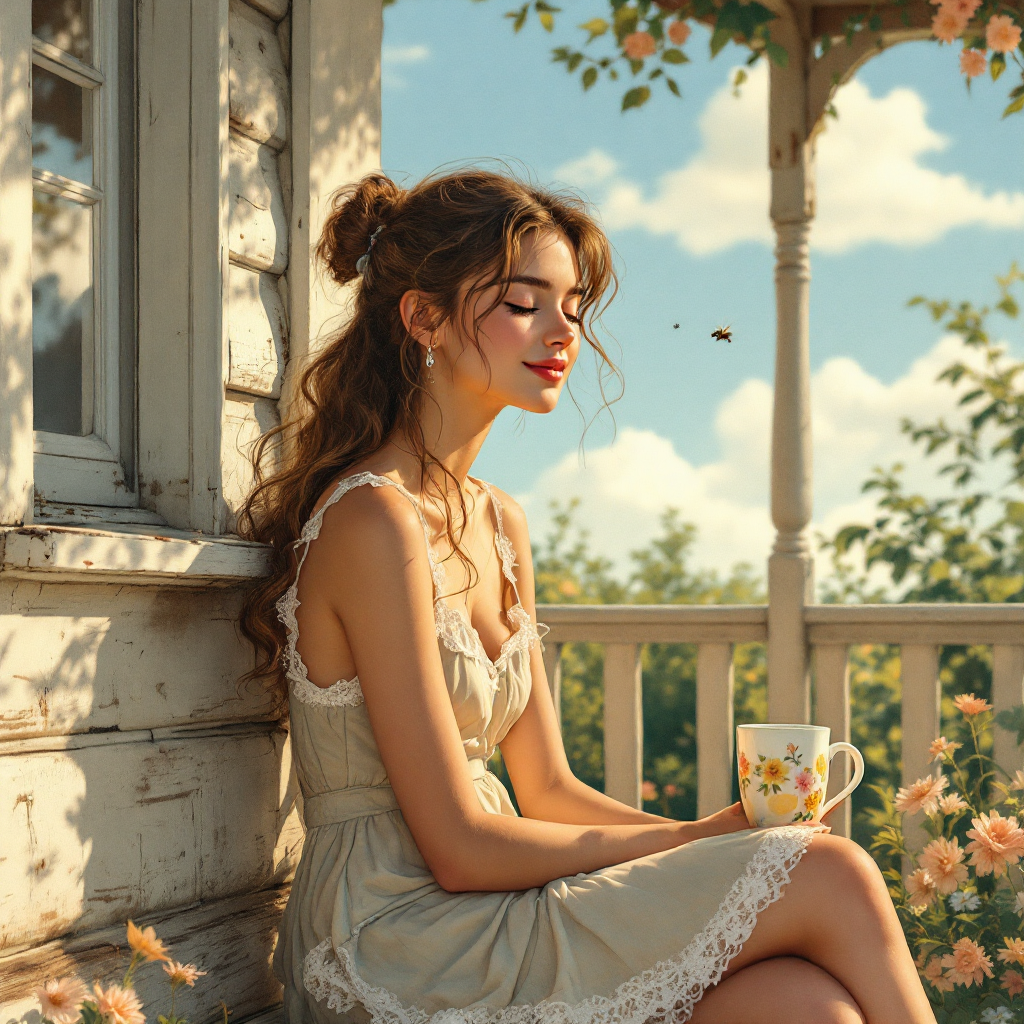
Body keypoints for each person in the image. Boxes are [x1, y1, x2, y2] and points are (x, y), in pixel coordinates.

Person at [237, 169, 935, 1024]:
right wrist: (706, 842)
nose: (563, 330)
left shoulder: (499, 522)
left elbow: (552, 790)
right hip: (394, 934)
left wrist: (724, 833)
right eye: (525, 302)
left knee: (805, 1004)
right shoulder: (372, 522)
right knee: (833, 872)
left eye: (572, 305)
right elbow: (457, 848)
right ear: (422, 317)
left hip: (488, 907)